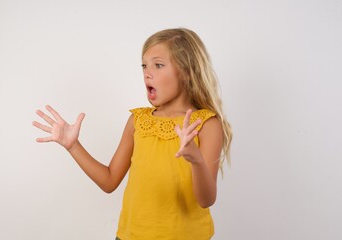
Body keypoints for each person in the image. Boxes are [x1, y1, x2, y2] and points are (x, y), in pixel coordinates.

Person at [33, 28, 232, 240]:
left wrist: (196, 161)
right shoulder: (137, 121)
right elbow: (109, 181)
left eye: (158, 65)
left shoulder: (206, 124)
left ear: (186, 71)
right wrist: (73, 145)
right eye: (144, 65)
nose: (147, 72)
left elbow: (206, 200)